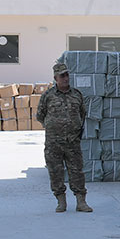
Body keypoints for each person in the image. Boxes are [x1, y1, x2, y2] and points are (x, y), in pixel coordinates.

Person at [35, 60, 91, 213]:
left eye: (67, 75)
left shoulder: (77, 95)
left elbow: (82, 114)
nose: (66, 78)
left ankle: (81, 202)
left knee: (77, 172)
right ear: (55, 78)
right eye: (62, 76)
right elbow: (40, 115)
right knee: (55, 172)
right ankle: (61, 202)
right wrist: (54, 127)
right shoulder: (48, 96)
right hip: (54, 143)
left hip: (72, 142)